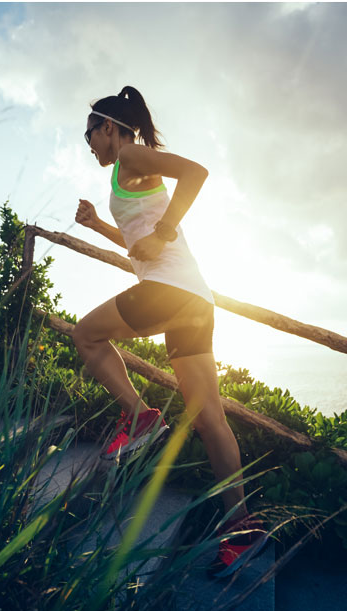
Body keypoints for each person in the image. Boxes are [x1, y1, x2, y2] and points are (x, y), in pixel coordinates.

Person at [72, 86, 270, 578]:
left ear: (109, 127)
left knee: (86, 335)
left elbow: (196, 174)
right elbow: (138, 246)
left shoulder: (132, 154)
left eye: (89, 132)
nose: (88, 142)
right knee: (210, 420)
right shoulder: (125, 175)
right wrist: (99, 224)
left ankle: (140, 418)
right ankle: (241, 528)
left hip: (170, 292)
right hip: (194, 301)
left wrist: (165, 231)